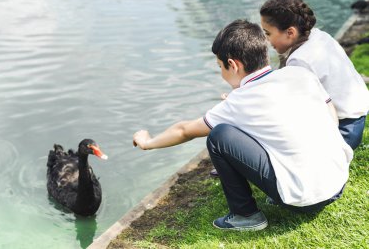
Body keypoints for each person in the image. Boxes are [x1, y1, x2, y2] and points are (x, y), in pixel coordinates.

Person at [133, 19, 352, 231]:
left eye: (220, 66)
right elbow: (329, 110)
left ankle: (246, 215)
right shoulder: (299, 74)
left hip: (307, 198)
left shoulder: (240, 102)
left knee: (220, 136)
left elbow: (184, 130)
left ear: (233, 65)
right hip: (338, 180)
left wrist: (147, 142)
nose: (221, 73)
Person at [260, 0, 369, 150]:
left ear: (290, 32)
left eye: (268, 34)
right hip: (356, 121)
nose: (266, 40)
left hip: (343, 133)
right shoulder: (318, 35)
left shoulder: (299, 61)